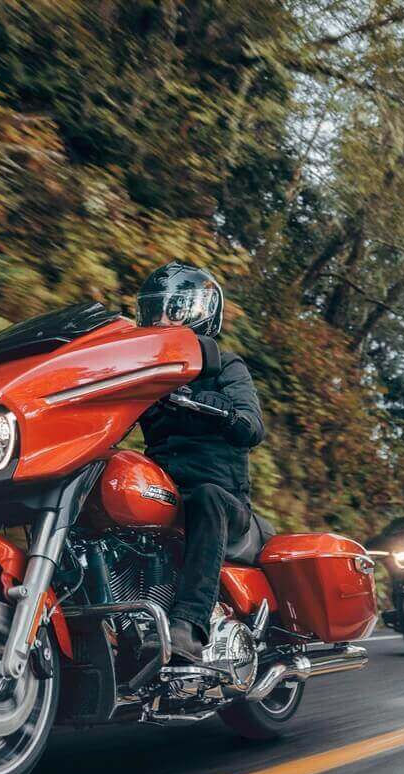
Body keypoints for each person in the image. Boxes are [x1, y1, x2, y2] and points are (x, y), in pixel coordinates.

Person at [134, 262, 266, 662]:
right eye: (151, 310)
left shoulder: (225, 366)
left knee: (206, 497)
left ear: (198, 311)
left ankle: (188, 625)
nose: (158, 319)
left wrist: (220, 409)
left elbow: (252, 425)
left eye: (169, 310)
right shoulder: (147, 375)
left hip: (224, 502)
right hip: (166, 493)